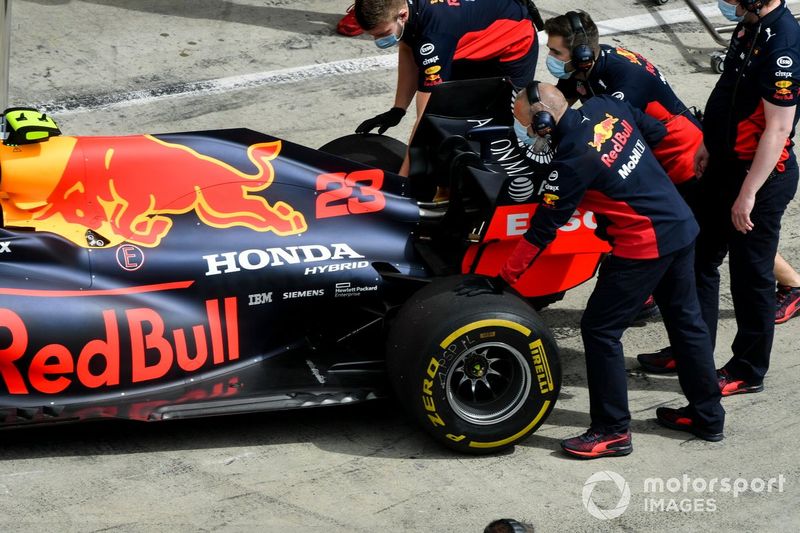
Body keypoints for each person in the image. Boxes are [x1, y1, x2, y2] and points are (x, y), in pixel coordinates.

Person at [501, 82, 724, 458]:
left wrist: (502, 280)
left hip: (645, 245)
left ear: (544, 121)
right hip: (681, 224)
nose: (526, 134)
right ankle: (708, 416)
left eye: (526, 125)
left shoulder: (571, 158)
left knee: (600, 329)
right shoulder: (608, 106)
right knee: (687, 323)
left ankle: (612, 430)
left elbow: (543, 228)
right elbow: (655, 133)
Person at [640, 0, 800, 391]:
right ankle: (692, 350)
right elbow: (728, 89)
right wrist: (708, 143)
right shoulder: (749, 26)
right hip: (723, 164)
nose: (725, 2)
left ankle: (747, 371)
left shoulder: (784, 47)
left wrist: (747, 195)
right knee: (697, 259)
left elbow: (777, 132)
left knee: (750, 280)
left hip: (758, 179)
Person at [353, 0, 541, 179]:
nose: (378, 40)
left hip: (514, 42)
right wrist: (398, 109)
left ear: (402, 15)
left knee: (507, 126)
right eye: (373, 35)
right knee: (453, 119)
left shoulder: (433, 38)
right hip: (468, 33)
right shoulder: (405, 11)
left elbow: (426, 118)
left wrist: (402, 180)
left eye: (382, 33)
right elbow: (407, 49)